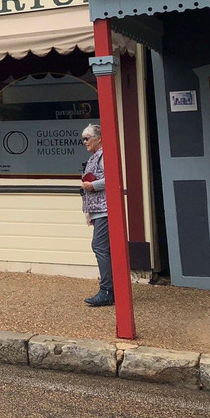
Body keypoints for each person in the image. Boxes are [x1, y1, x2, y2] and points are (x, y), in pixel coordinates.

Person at [80, 123, 114, 307]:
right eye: (83, 139)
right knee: (103, 247)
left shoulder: (104, 156)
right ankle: (109, 288)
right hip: (98, 210)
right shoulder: (95, 157)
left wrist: (93, 185)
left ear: (99, 138)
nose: (85, 142)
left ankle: (107, 290)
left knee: (99, 246)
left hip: (105, 209)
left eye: (87, 138)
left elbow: (112, 177)